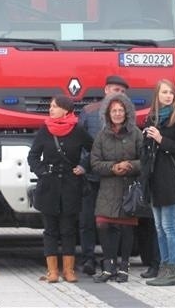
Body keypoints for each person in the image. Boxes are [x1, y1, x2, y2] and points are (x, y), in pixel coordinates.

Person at [27, 95, 93, 283]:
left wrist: (83, 166)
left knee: (68, 230)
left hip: (71, 187)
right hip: (48, 188)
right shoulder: (45, 130)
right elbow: (32, 157)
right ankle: (52, 271)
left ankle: (69, 270)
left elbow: (94, 149)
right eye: (50, 106)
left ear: (66, 110)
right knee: (50, 230)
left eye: (55, 107)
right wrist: (42, 172)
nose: (51, 109)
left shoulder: (78, 130)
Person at [77, 74, 129, 275]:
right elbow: (81, 143)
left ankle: (111, 260)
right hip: (91, 177)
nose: (120, 95)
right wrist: (83, 166)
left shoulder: (125, 116)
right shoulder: (89, 112)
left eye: (123, 92)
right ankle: (88, 259)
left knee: (113, 221)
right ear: (106, 90)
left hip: (114, 178)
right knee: (87, 220)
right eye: (117, 90)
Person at [90, 93, 144, 283]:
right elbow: (95, 163)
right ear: (108, 113)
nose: (118, 113)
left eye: (121, 110)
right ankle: (108, 266)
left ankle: (124, 267)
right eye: (114, 110)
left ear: (127, 112)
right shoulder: (101, 135)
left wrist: (130, 165)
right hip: (107, 188)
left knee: (126, 228)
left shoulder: (136, 133)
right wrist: (113, 167)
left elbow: (144, 160)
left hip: (128, 189)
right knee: (103, 225)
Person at [141, 79, 175, 286]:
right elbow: (146, 151)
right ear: (157, 96)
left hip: (169, 179)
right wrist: (147, 139)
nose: (168, 96)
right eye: (164, 93)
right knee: (159, 227)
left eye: (171, 93)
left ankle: (173, 270)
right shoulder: (151, 118)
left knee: (170, 227)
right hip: (153, 179)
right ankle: (163, 266)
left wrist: (161, 140)